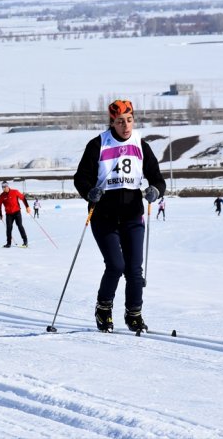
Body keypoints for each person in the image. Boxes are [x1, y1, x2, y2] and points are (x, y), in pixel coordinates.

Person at [74, 99, 165, 333]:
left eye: (129, 120)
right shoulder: (98, 145)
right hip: (103, 214)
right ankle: (103, 309)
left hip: (132, 213)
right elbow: (81, 178)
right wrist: (89, 192)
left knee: (134, 269)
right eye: (120, 121)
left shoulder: (141, 145)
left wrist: (155, 190)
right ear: (112, 123)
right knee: (116, 265)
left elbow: (157, 177)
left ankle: (134, 314)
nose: (126, 126)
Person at [0, 180, 31, 248]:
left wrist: (27, 206)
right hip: (9, 214)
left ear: (7, 186)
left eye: (5, 187)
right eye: (2, 187)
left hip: (17, 212)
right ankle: (8, 243)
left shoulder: (14, 192)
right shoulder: (2, 196)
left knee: (19, 225)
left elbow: (23, 198)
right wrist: (0, 214)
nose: (4, 188)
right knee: (9, 228)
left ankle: (25, 241)